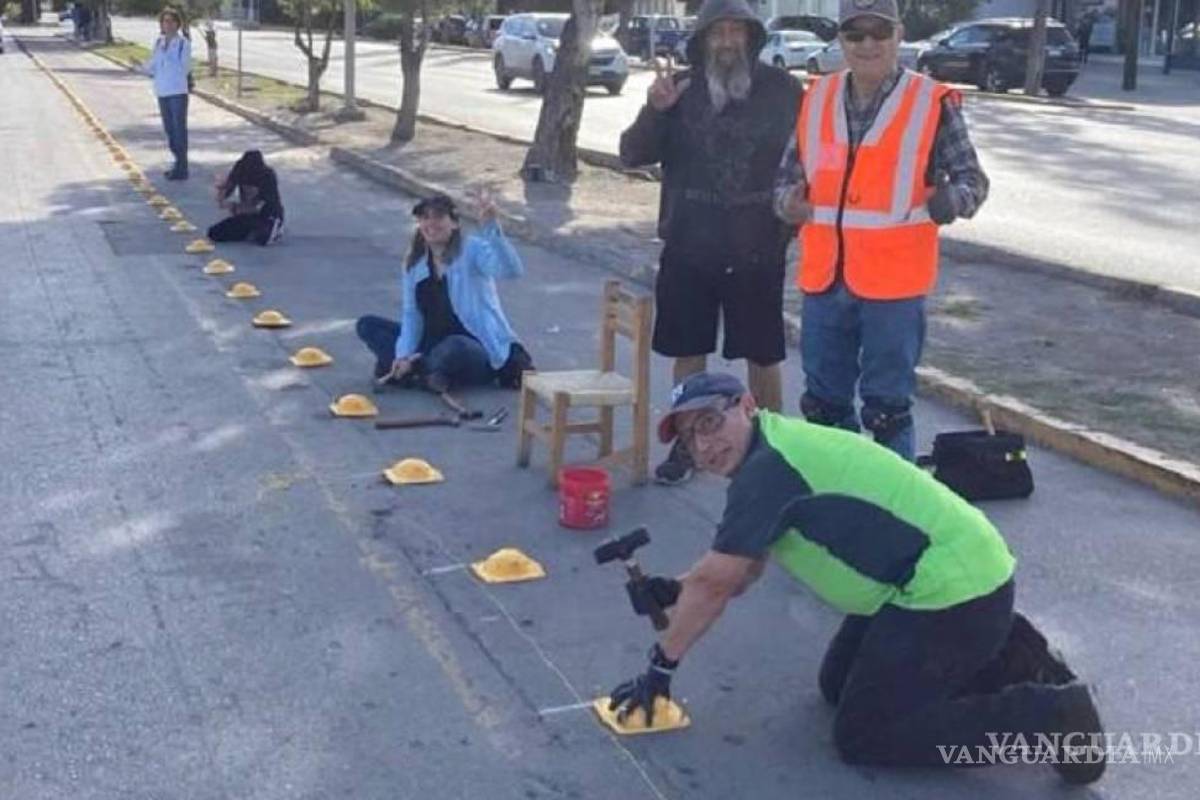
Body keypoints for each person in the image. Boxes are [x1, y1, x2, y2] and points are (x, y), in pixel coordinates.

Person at [607, 371, 1107, 784]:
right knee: (837, 686)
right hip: (933, 582)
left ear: (747, 405)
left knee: (868, 733)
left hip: (954, 592)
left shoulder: (768, 469)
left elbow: (717, 583)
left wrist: (661, 667)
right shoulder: (772, 447)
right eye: (691, 437)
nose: (705, 444)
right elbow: (740, 567)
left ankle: (1048, 716)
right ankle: (1002, 650)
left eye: (711, 422)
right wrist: (677, 588)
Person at [774, 0, 989, 461]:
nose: (868, 43)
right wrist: (788, 202)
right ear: (841, 39)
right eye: (855, 34)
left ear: (898, 34)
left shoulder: (930, 102)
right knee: (824, 405)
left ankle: (894, 508)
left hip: (894, 286)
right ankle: (841, 491)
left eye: (879, 32)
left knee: (887, 409)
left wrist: (953, 201)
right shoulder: (818, 98)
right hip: (825, 281)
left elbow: (974, 181)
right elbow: (786, 178)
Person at [619, 0, 803, 486]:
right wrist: (654, 113)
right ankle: (689, 445)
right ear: (701, 40)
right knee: (689, 350)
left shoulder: (784, 91)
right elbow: (632, 153)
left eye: (735, 31)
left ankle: (771, 450)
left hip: (757, 247)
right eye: (717, 32)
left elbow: (810, 161)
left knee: (763, 354)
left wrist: (795, 221)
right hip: (689, 244)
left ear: (750, 37)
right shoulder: (677, 90)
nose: (726, 41)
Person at [356, 193, 534, 394]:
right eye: (425, 217)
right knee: (367, 325)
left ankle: (421, 369)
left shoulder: (472, 249)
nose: (431, 223)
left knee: (454, 346)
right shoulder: (414, 263)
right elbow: (412, 316)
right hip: (431, 344)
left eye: (439, 217)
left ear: (455, 224)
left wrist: (491, 228)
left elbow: (511, 270)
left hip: (473, 347)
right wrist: (403, 354)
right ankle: (420, 367)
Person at [138, 8, 191, 181]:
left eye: (171, 21)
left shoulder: (183, 43)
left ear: (177, 24)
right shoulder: (158, 43)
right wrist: (140, 66)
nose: (167, 25)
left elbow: (184, 68)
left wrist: (168, 56)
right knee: (169, 130)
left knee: (179, 129)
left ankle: (182, 167)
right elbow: (153, 65)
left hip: (177, 91)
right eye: (164, 21)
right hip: (162, 91)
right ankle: (177, 161)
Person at [208, 150, 285, 246]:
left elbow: (256, 208)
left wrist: (234, 207)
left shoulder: (267, 176)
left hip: (268, 215)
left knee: (263, 239)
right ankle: (250, 231)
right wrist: (222, 189)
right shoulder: (240, 169)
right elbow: (226, 193)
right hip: (247, 216)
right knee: (214, 233)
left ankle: (275, 229)